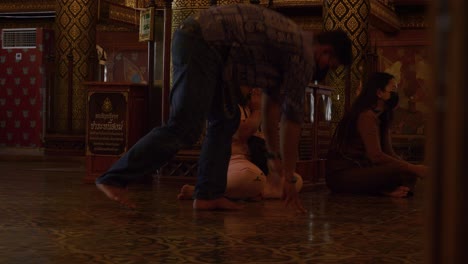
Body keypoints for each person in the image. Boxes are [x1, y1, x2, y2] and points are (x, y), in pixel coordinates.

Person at [95, 3, 352, 211]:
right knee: (185, 126)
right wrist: (286, 175)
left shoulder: (293, 46)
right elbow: (291, 121)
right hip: (203, 43)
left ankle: (208, 194)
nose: (326, 72)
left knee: (225, 120)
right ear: (326, 52)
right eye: (331, 66)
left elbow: (272, 108)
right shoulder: (303, 55)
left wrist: (275, 161)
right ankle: (114, 178)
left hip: (212, 51)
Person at [177, 87, 303, 201]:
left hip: (258, 165)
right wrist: (258, 110)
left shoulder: (260, 106)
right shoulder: (232, 105)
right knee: (251, 177)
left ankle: (254, 191)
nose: (255, 89)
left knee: (295, 181)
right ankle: (203, 192)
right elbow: (241, 134)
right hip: (236, 162)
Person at [325, 72, 429, 198]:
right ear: (379, 93)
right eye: (393, 90)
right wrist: (412, 167)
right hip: (344, 174)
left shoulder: (382, 116)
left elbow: (389, 153)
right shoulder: (366, 115)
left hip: (364, 171)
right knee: (400, 171)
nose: (396, 94)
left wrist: (412, 169)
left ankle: (392, 189)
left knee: (408, 174)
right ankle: (383, 191)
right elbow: (376, 156)